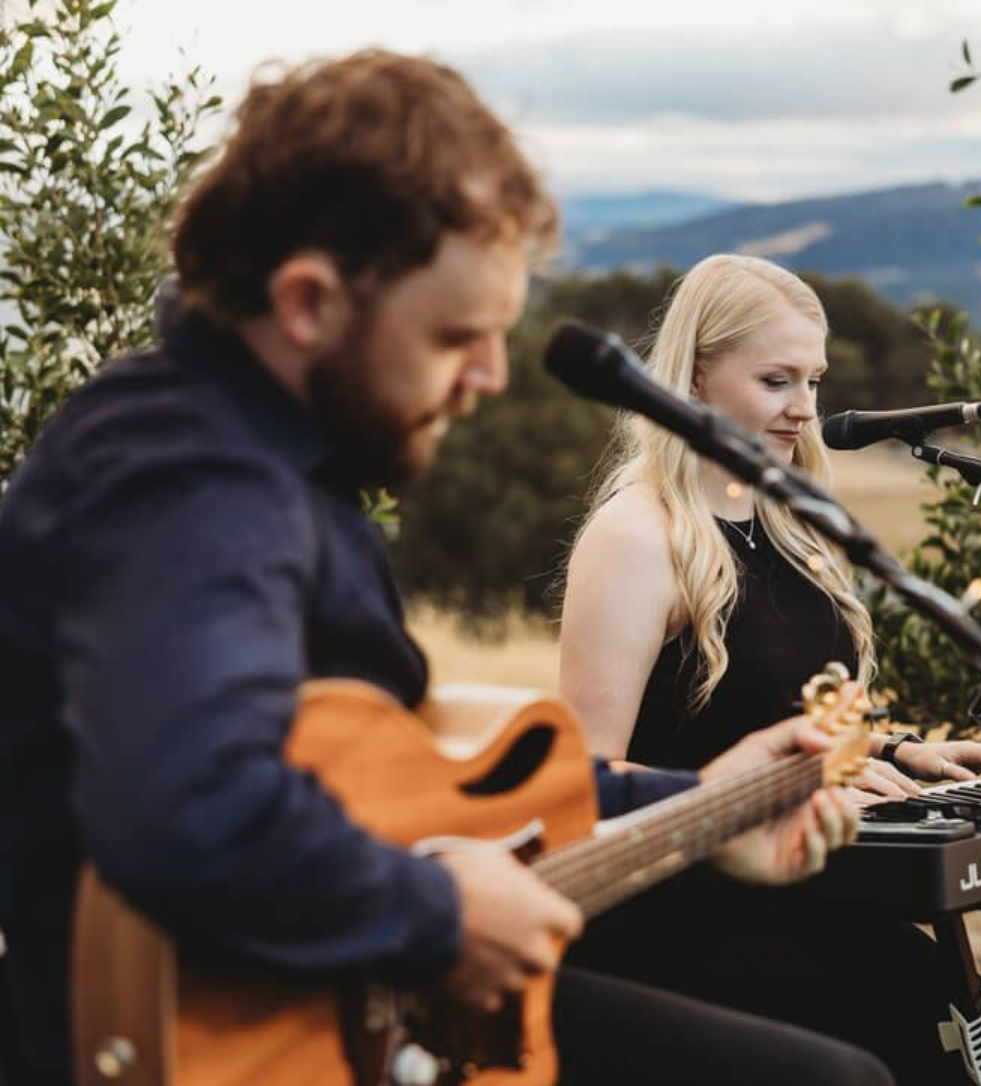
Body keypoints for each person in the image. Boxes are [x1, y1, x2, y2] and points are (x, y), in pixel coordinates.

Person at [0, 53, 896, 1086]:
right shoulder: (188, 480)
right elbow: (186, 814)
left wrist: (706, 803)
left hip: (351, 999)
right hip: (240, 1036)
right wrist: (439, 911)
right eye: (456, 336)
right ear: (307, 303)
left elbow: (402, 800)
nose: (490, 377)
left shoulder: (281, 471)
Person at [558, 253, 981, 1086]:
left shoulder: (787, 519)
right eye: (775, 381)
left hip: (806, 887)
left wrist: (901, 752)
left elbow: (781, 717)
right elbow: (579, 782)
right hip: (686, 913)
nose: (804, 409)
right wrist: (748, 800)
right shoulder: (637, 538)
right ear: (694, 377)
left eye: (814, 380)